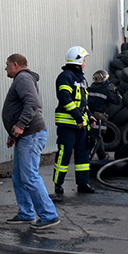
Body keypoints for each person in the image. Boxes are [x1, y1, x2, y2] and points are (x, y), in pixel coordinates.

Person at [2, 54, 60, 230]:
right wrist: (14, 136)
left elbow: (32, 103)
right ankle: (26, 213)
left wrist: (19, 127)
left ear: (16, 64)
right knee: (19, 177)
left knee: (29, 176)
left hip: (31, 135)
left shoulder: (23, 78)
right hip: (26, 136)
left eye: (7, 65)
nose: (5, 68)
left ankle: (49, 215)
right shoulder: (23, 78)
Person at [51, 46, 96, 201]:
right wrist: (78, 118)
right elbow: (65, 99)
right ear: (78, 60)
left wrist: (90, 116)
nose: (85, 64)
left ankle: (83, 184)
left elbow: (84, 103)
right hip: (68, 126)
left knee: (83, 156)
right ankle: (58, 184)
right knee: (64, 154)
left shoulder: (81, 80)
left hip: (81, 125)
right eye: (84, 60)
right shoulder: (65, 77)